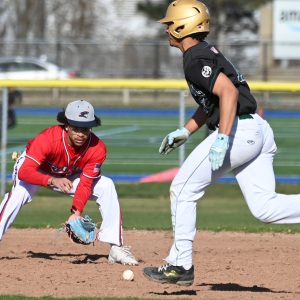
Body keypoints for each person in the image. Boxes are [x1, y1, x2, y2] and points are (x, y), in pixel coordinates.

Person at [143, 0, 300, 286]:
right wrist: (186, 131)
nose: (166, 29)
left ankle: (180, 265)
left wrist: (222, 139)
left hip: (239, 131)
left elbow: (227, 93)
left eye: (170, 24)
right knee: (265, 207)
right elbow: (211, 102)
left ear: (182, 27)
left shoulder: (194, 58)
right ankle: (180, 263)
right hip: (257, 130)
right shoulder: (204, 52)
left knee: (182, 189)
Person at [0, 99, 138, 266]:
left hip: (68, 175)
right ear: (66, 126)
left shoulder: (97, 148)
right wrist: (51, 180)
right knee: (19, 194)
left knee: (106, 185)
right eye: (76, 128)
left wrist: (77, 212)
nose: (81, 134)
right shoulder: (48, 138)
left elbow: (86, 183)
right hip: (36, 171)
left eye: (85, 129)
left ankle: (116, 248)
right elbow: (25, 171)